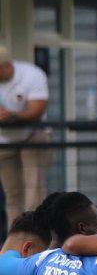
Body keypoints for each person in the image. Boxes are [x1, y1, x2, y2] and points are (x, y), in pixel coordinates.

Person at [0, 48, 49, 228]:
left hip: (32, 134)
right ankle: (16, 236)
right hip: (4, 140)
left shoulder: (31, 75)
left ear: (6, 66)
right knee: (12, 194)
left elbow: (36, 110)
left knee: (33, 189)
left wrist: (12, 116)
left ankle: (35, 233)